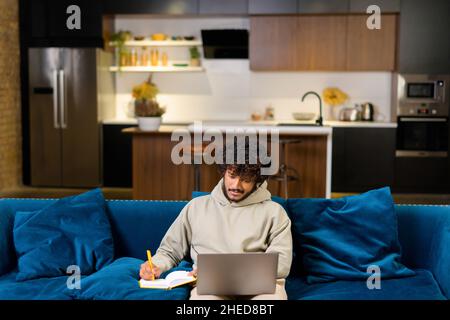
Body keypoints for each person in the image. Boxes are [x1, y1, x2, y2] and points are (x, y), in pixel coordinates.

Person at [139, 141, 293, 300]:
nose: (236, 185)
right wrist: (155, 265)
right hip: (211, 287)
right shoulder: (196, 207)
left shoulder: (275, 212)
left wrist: (221, 271)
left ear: (257, 180)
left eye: (246, 179)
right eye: (232, 175)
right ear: (224, 172)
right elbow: (169, 251)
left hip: (262, 288)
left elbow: (280, 264)